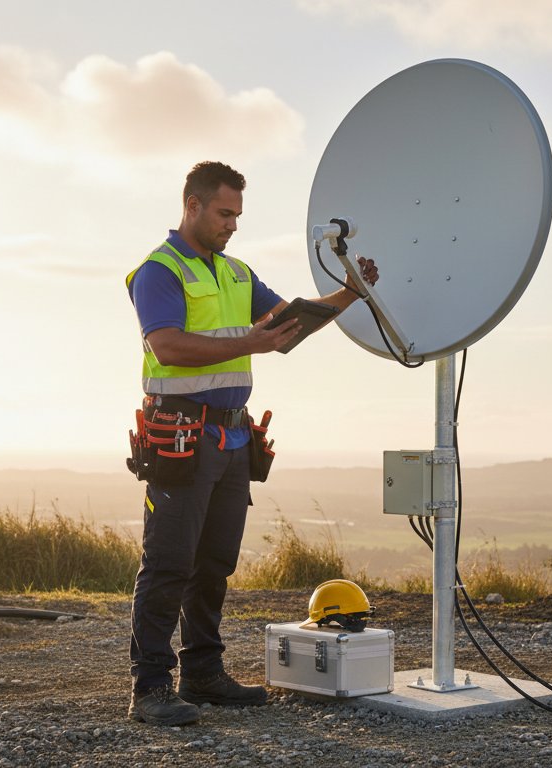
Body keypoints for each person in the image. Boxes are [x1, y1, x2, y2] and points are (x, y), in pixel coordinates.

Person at [124, 161, 377, 726]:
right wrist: (253, 343)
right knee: (169, 563)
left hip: (233, 436)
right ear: (191, 205)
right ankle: (150, 688)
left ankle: (203, 674)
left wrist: (348, 295)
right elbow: (166, 347)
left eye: (238, 215)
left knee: (214, 563)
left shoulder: (237, 273)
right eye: (224, 213)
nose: (232, 225)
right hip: (180, 434)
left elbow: (286, 322)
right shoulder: (158, 272)